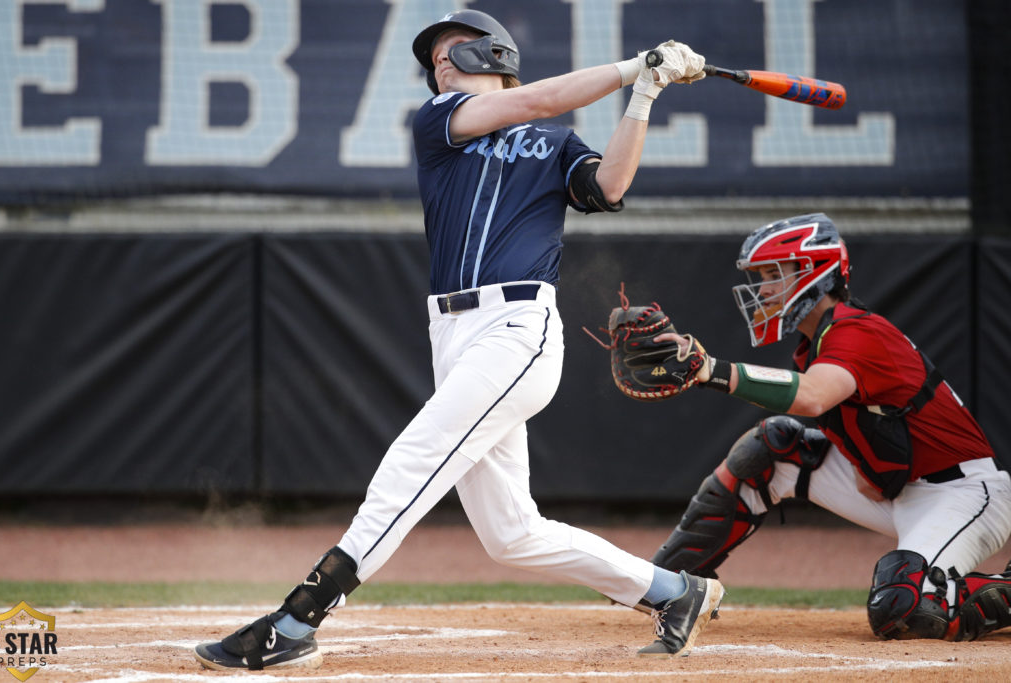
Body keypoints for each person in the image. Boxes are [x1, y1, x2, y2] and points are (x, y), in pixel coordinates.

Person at [194, 9, 720, 671]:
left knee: (410, 464)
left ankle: (300, 618)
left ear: (494, 53)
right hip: (455, 332)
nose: (439, 62)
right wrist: (631, 67)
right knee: (511, 533)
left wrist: (644, 94)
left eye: (452, 49)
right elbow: (533, 98)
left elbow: (611, 183)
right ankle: (675, 591)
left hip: (516, 327)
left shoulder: (553, 144)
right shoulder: (439, 121)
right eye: (434, 58)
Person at [651, 212, 1011, 641]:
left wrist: (711, 370)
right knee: (774, 448)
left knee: (903, 608)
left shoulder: (856, 331)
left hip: (963, 492)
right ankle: (667, 584)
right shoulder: (814, 345)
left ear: (812, 273)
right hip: (901, 490)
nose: (763, 288)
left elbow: (813, 396)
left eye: (772, 274)